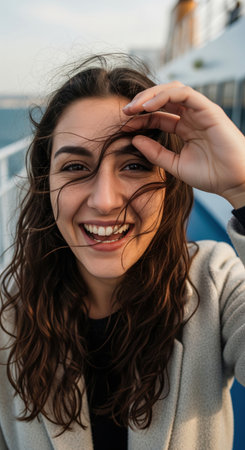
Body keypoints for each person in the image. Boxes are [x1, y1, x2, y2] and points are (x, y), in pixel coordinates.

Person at [0, 53, 245, 450]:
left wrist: (243, 187)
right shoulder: (7, 322)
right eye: (76, 168)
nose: (104, 200)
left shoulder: (216, 284)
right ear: (46, 187)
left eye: (133, 165)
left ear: (171, 181)